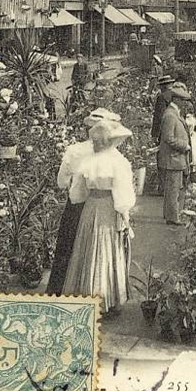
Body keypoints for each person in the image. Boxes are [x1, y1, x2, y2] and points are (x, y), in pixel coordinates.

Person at [62, 120, 136, 315]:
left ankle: (86, 294)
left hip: (90, 207)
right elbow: (122, 197)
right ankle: (106, 298)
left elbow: (76, 194)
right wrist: (126, 217)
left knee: (88, 248)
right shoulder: (118, 162)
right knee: (106, 249)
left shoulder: (87, 161)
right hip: (108, 207)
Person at [47, 108, 122, 295]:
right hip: (102, 206)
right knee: (98, 251)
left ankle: (59, 289)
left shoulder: (75, 150)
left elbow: (61, 181)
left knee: (67, 245)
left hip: (77, 204)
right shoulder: (111, 153)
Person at [158, 82, 192, 225]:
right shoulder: (170, 115)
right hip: (172, 159)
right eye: (183, 101)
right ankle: (173, 217)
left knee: (172, 188)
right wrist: (185, 146)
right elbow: (168, 138)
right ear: (176, 100)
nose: (185, 104)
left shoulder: (173, 113)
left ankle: (169, 214)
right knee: (173, 189)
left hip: (175, 158)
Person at [151, 75, 176, 144]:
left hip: (167, 129)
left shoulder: (162, 97)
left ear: (163, 86)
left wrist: (155, 134)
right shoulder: (178, 95)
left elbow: (159, 116)